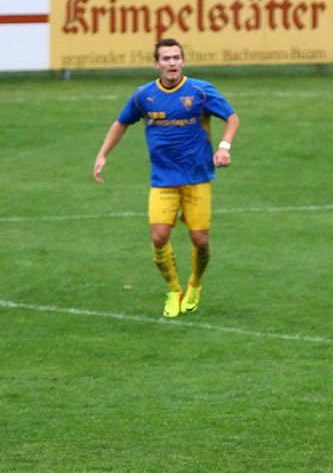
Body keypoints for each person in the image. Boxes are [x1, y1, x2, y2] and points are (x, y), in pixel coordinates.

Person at [93, 38, 240, 318]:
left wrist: (224, 147)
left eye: (176, 57)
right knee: (159, 237)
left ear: (183, 61)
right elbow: (121, 123)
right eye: (166, 58)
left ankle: (194, 284)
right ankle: (174, 290)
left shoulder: (200, 91)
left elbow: (232, 118)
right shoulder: (143, 96)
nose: (172, 63)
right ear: (156, 64)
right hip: (162, 179)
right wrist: (102, 154)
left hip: (197, 178)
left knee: (200, 241)